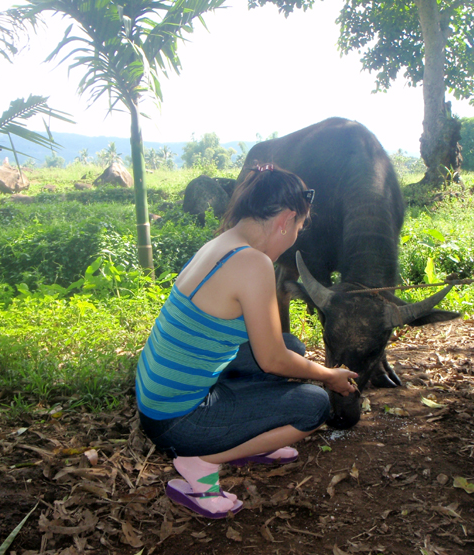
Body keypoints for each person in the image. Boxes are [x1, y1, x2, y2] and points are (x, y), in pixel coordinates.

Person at [136, 164, 358, 518]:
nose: (295, 236)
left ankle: (249, 438)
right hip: (176, 420)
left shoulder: (222, 243)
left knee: (293, 347)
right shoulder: (252, 263)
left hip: (160, 399)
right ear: (286, 219)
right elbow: (272, 360)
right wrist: (329, 375)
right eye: (299, 227)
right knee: (315, 406)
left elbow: (274, 348)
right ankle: (200, 462)